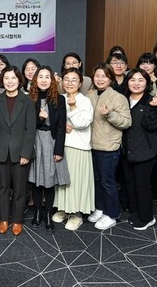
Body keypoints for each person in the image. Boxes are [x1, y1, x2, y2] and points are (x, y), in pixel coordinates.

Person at [0, 66, 36, 237]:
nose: (10, 81)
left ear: (19, 80)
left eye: (13, 78)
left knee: (20, 189)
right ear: (2, 80)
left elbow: (30, 130)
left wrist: (26, 153)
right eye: (6, 78)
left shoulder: (27, 101)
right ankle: (4, 219)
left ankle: (17, 220)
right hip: (1, 150)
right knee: (2, 187)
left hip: (20, 152)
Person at [87, 63, 131, 230]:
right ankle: (100, 208)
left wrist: (110, 114)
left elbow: (126, 122)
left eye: (104, 76)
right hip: (91, 145)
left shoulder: (118, 97)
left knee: (108, 182)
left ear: (111, 78)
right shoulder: (90, 95)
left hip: (108, 147)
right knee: (96, 181)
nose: (100, 79)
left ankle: (112, 214)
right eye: (97, 76)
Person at [51, 68, 94, 231]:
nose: (69, 83)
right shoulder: (59, 98)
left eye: (74, 80)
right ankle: (63, 208)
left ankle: (77, 214)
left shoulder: (84, 101)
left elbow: (83, 123)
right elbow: (52, 121)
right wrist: (62, 126)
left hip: (78, 147)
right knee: (62, 181)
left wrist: (74, 107)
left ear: (80, 83)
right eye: (66, 79)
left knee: (76, 182)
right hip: (62, 146)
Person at [27, 66, 69, 232]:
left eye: (47, 77)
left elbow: (61, 126)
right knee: (37, 181)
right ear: (35, 80)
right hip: (35, 140)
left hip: (51, 141)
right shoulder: (30, 99)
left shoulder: (59, 99)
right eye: (40, 77)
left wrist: (58, 150)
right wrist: (40, 118)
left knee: (49, 181)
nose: (43, 80)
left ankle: (48, 214)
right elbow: (28, 125)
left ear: (52, 80)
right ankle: (38, 212)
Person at [121, 69, 157, 231]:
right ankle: (136, 212)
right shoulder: (124, 100)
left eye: (140, 80)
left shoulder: (152, 101)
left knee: (142, 185)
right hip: (127, 149)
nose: (136, 83)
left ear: (147, 83)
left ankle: (147, 217)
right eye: (133, 80)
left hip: (146, 151)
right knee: (130, 183)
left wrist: (153, 108)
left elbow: (151, 125)